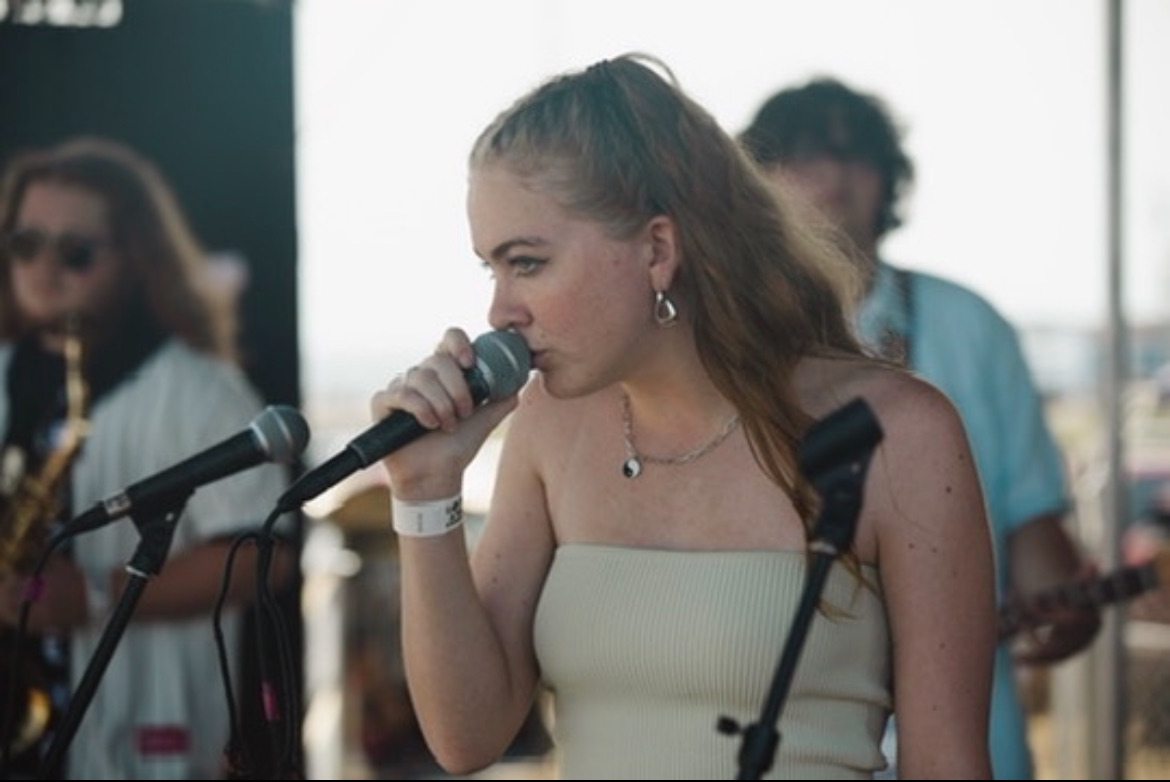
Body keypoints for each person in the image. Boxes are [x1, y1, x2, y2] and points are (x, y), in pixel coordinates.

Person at [366, 53, 997, 779]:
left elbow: (947, 763)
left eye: (528, 263)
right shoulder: (547, 426)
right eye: (492, 268)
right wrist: (424, 495)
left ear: (657, 249)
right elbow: (466, 738)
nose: (500, 312)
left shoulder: (897, 433)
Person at [739, 75, 1102, 780]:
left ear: (888, 181)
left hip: (971, 742)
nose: (832, 173)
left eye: (857, 153)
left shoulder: (972, 325)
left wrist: (1071, 603)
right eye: (802, 152)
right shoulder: (729, 339)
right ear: (752, 186)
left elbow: (1031, 520)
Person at [0, 136, 297, 779]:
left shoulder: (202, 390)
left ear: (136, 255)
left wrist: (100, 596)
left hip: (140, 744)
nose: (43, 270)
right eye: (25, 245)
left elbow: (263, 558)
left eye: (75, 252)